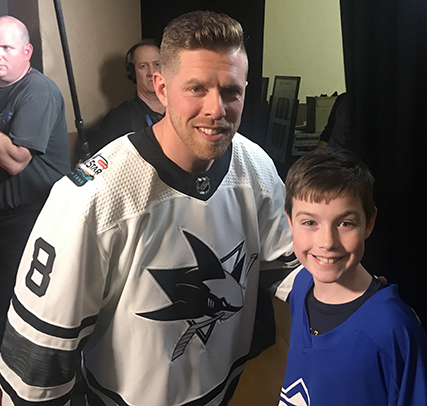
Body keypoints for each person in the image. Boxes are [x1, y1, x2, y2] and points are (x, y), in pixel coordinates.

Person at [0, 11, 300, 406]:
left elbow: (289, 265)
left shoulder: (255, 165)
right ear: (161, 87)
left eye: (231, 91)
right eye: (196, 88)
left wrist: (357, 304)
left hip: (228, 389)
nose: (217, 109)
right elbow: (37, 362)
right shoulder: (90, 199)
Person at [279, 148, 427, 405]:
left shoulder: (393, 328)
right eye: (309, 223)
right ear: (290, 221)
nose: (327, 242)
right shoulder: (302, 284)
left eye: (345, 223)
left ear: (369, 222)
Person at [0, 16, 69, 342]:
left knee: (15, 302)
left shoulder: (37, 90)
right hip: (6, 214)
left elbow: (15, 160)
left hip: (32, 216)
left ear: (26, 51)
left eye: (6, 48)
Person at [95, 39, 165, 151]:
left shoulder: (181, 110)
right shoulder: (117, 118)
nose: (151, 72)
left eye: (157, 64)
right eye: (143, 66)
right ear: (132, 73)